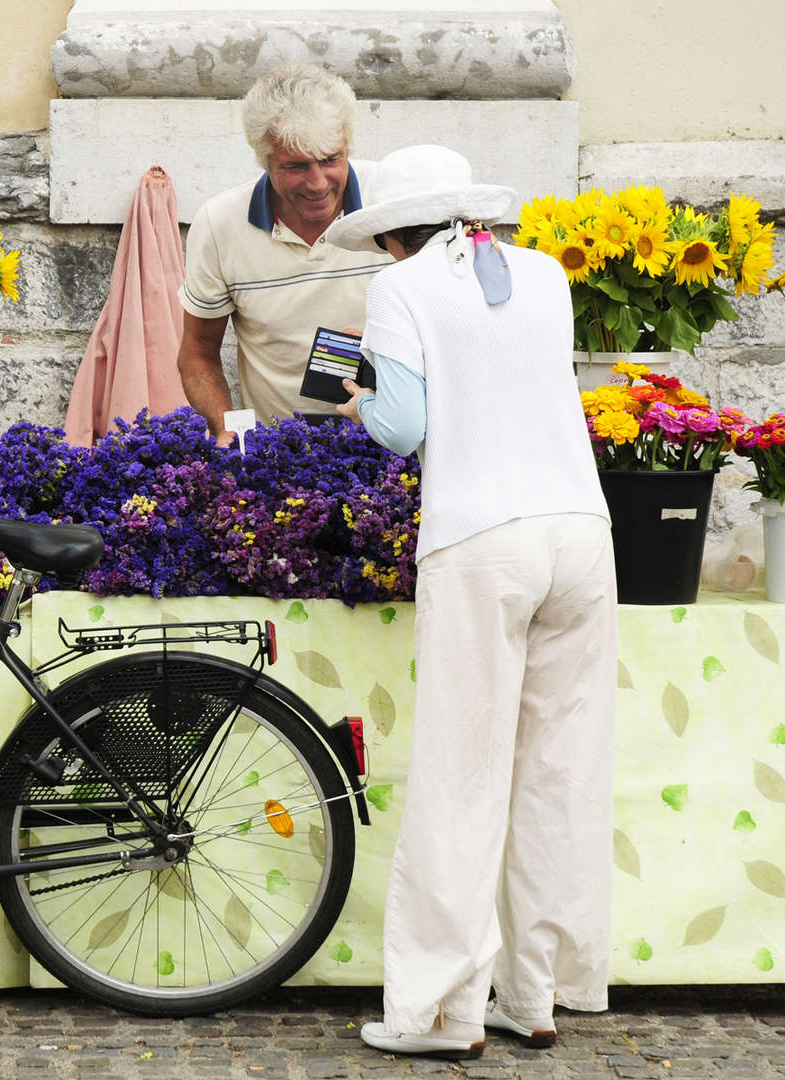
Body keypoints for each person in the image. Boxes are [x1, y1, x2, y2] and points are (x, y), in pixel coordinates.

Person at [326, 145, 617, 1060]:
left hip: (482, 540)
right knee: (559, 772)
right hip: (580, 532)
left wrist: (355, 398)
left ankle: (439, 1013)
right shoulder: (541, 273)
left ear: (398, 232)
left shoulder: (402, 288)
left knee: (463, 775)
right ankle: (536, 994)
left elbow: (402, 428)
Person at [176, 64, 392, 443]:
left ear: (347, 146)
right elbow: (198, 351)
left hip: (395, 442)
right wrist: (228, 429)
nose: (318, 183)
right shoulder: (219, 222)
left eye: (330, 159)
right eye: (295, 166)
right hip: (278, 455)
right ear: (264, 159)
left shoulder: (392, 200)